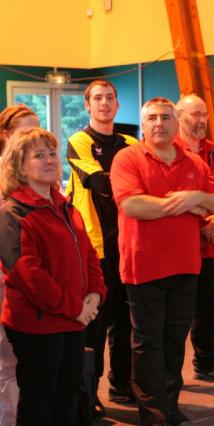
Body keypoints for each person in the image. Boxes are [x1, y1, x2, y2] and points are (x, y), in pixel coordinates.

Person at [110, 97, 214, 425]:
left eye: (166, 117)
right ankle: (153, 413)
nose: (159, 123)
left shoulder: (194, 162)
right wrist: (187, 206)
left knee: (174, 340)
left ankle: (170, 404)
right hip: (143, 267)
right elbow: (132, 205)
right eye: (152, 117)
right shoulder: (127, 158)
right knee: (148, 343)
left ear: (177, 124)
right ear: (143, 124)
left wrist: (198, 197)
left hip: (186, 266)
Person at [0, 127, 106, 425]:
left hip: (74, 319)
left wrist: (95, 295)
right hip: (38, 325)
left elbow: (89, 256)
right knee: (39, 404)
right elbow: (29, 276)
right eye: (38, 155)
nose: (49, 160)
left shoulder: (68, 208)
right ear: (20, 167)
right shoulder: (12, 214)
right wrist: (76, 308)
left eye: (51, 154)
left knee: (68, 401)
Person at [66, 80, 136, 415]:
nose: (104, 103)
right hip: (96, 247)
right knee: (94, 324)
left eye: (110, 98)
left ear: (117, 104)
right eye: (97, 98)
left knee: (126, 320)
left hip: (129, 242)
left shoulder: (131, 143)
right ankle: (87, 394)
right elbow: (99, 183)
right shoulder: (79, 141)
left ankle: (121, 385)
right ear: (87, 105)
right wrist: (133, 185)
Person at [175, 94, 214, 382]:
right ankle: (170, 370)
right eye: (194, 115)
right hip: (180, 245)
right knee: (178, 311)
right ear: (179, 116)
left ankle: (206, 361)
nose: (200, 121)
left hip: (211, 245)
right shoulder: (170, 150)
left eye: (204, 115)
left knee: (209, 309)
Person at [0, 105, 40, 426]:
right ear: (6, 135)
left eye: (36, 129)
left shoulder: (37, 173)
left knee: (21, 358)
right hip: (6, 271)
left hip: (29, 273)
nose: (32, 137)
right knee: (4, 360)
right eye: (25, 130)